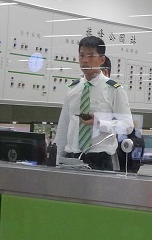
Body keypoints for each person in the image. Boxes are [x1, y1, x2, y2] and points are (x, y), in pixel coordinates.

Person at [55, 36, 133, 169]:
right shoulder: (73, 88)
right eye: (81, 55)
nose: (85, 60)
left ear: (102, 59)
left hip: (99, 159)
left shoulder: (113, 89)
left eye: (91, 56)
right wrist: (57, 160)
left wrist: (100, 123)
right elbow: (64, 126)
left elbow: (127, 126)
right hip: (71, 157)